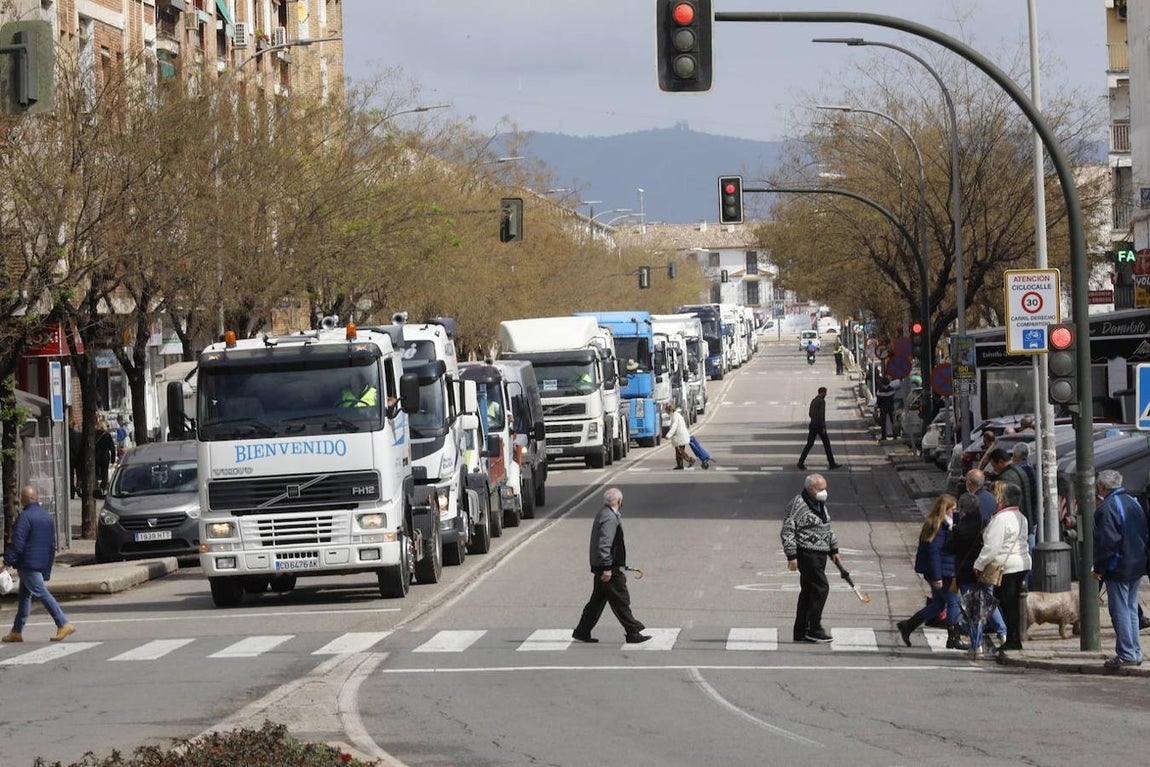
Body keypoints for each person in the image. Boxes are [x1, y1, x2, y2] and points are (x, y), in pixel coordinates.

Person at [572, 487, 650, 644]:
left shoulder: (605, 514)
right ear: (619, 501)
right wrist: (607, 567)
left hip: (605, 567)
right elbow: (604, 544)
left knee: (597, 602)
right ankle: (632, 632)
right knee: (621, 600)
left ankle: (582, 631)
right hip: (610, 569)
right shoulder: (609, 518)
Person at [3, 486, 75, 643]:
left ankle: (63, 623)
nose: (20, 500)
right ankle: (16, 631)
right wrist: (47, 568)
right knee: (24, 598)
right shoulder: (46, 517)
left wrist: (6, 563)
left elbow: (18, 544)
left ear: (25, 499)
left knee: (42, 593)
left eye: (21, 497)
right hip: (40, 563)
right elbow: (51, 545)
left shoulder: (25, 517)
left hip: (28, 564)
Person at [1092, 469, 1148, 668]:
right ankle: (1134, 651)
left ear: (1102, 487)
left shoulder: (1108, 507)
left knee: (1120, 610)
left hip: (1119, 566)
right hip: (1136, 563)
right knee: (1131, 608)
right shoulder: (1133, 502)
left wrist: (1099, 568)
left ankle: (1127, 653)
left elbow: (1107, 542)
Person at [897, 494, 968, 650]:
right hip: (942, 573)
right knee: (953, 603)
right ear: (945, 509)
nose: (954, 513)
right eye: (952, 509)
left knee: (937, 605)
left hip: (942, 571)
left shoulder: (942, 524)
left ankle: (908, 625)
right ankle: (953, 638)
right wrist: (937, 577)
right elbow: (934, 552)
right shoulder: (937, 526)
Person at [781, 473, 839, 643]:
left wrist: (834, 548)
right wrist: (791, 555)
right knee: (821, 588)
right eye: (821, 489)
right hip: (807, 554)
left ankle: (801, 631)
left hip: (820, 554)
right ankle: (814, 627)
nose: (825, 492)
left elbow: (826, 526)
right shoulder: (798, 504)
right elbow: (787, 531)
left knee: (808, 592)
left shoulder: (819, 504)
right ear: (811, 489)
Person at [974, 483, 1032, 653]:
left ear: (1004, 498)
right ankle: (1014, 637)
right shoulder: (1021, 517)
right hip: (1022, 562)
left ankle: (1013, 639)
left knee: (1007, 603)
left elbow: (992, 547)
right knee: (1012, 602)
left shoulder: (1001, 519)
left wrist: (979, 565)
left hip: (1007, 566)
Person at [945, 493, 991, 657]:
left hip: (966, 572)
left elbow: (948, 549)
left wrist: (951, 530)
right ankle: (984, 639)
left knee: (971, 611)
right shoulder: (984, 523)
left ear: (963, 509)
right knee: (979, 609)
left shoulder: (961, 528)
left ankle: (976, 644)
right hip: (983, 571)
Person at [988, 448, 1033, 541]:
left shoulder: (1006, 478)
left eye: (994, 466)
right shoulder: (1019, 470)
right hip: (1026, 518)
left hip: (1015, 523)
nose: (994, 469)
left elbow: (1003, 500)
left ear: (1000, 462)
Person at [797, 387, 839, 471]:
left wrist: (814, 419)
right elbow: (821, 415)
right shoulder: (821, 401)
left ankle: (800, 462)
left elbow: (810, 413)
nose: (826, 395)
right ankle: (832, 463)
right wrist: (823, 427)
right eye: (825, 393)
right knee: (827, 444)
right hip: (819, 426)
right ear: (822, 392)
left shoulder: (813, 400)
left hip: (812, 424)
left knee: (809, 444)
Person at [664, 402, 694, 470]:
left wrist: (668, 435)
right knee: (678, 451)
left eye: (667, 411)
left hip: (680, 437)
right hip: (679, 436)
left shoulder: (676, 416)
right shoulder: (675, 416)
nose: (667, 413)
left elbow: (674, 427)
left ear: (670, 410)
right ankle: (680, 465)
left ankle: (690, 460)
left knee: (680, 451)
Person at [94, 421, 116, 498]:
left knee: (96, 472)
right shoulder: (107, 435)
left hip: (96, 456)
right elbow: (112, 448)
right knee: (104, 473)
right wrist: (113, 460)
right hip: (105, 456)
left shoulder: (94, 435)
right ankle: (103, 488)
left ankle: (96, 487)